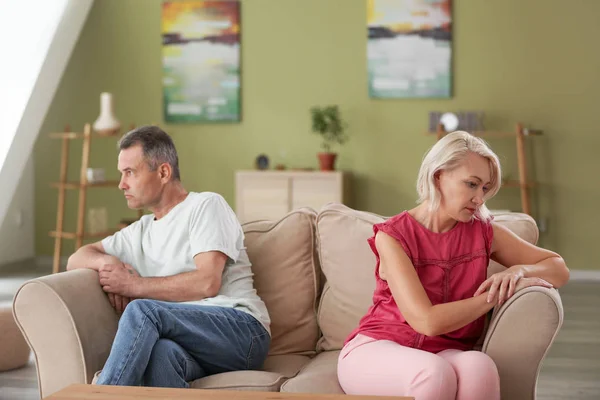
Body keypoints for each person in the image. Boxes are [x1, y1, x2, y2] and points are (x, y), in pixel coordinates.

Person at [337, 131, 569, 400]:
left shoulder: (483, 233)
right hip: (378, 348)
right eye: (471, 184)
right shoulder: (392, 236)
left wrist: (518, 271)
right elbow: (427, 322)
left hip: (443, 351)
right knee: (434, 374)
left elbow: (557, 268)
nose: (480, 198)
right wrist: (495, 295)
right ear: (438, 176)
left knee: (480, 367)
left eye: (484, 188)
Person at [66, 125, 271, 388]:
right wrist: (109, 263)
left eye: (130, 172)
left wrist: (131, 285)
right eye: (121, 173)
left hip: (242, 333)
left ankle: (102, 396)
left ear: (163, 172)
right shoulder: (139, 231)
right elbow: (77, 258)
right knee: (161, 355)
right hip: (192, 344)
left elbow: (207, 282)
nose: (121, 184)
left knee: (142, 310)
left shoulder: (206, 206)